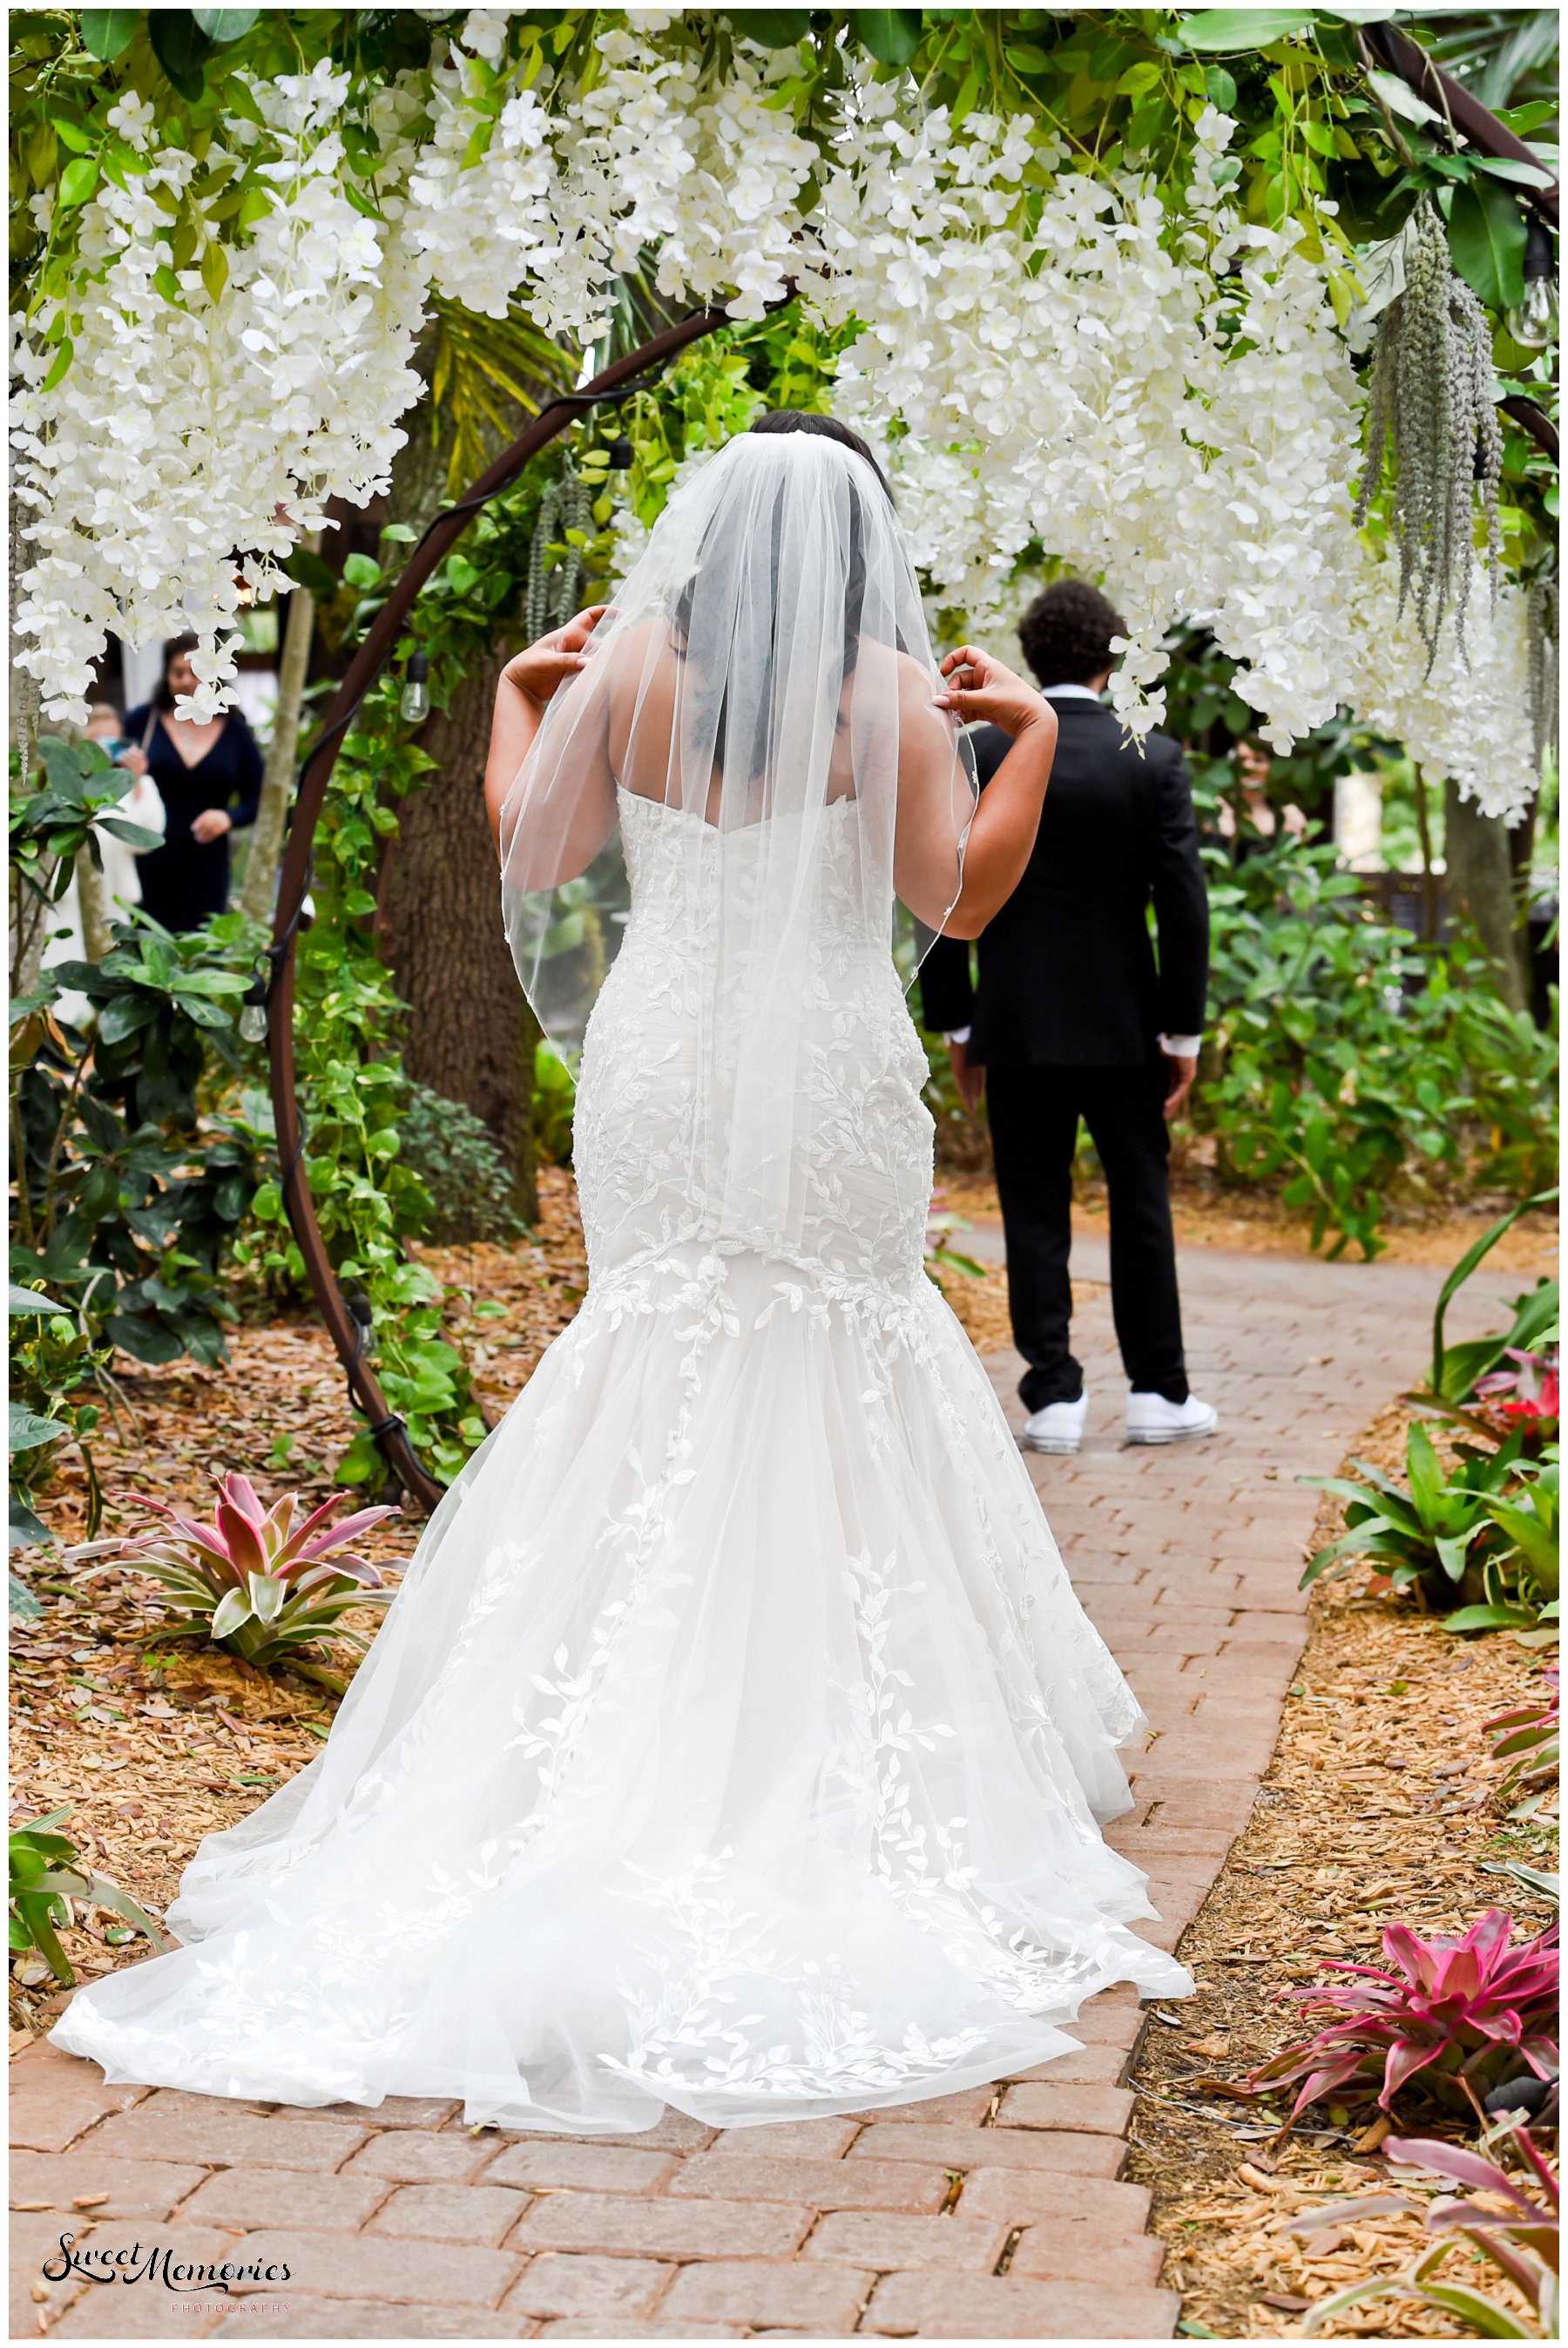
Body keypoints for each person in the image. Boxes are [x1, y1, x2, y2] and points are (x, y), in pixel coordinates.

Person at [54, 421, 1190, 2130]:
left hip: (657, 1059)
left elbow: (532, 852)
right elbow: (955, 903)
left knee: (655, 1344)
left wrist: (524, 694)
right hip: (816, 1053)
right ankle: (816, 1744)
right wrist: (1021, 734)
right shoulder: (884, 691)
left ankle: (572, 1740)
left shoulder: (634, 665)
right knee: (838, 1338)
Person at [920, 579, 1216, 1455]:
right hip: (1126, 1029)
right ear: (1110, 655)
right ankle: (1160, 1389)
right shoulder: (1150, 757)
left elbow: (941, 889)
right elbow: (1184, 905)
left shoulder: (979, 751)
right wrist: (1182, 1033)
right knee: (1142, 1203)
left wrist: (959, 1025)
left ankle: (1052, 1397)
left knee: (1034, 1209)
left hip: (1014, 1026)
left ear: (1033, 654)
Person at [122, 635, 262, 931]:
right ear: (166, 676)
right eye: (177, 673)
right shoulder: (141, 721)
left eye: (196, 672)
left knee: (203, 952)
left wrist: (228, 817)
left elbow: (260, 797)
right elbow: (107, 779)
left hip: (207, 864)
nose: (186, 681)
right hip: (146, 858)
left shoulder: (235, 731)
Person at [41, 702, 166, 1025]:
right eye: (92, 726)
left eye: (108, 724)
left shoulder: (131, 785)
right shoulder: (62, 782)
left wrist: (136, 783)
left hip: (112, 897)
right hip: (66, 896)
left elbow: (148, 836)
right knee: (63, 962)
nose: (100, 735)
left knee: (107, 965)